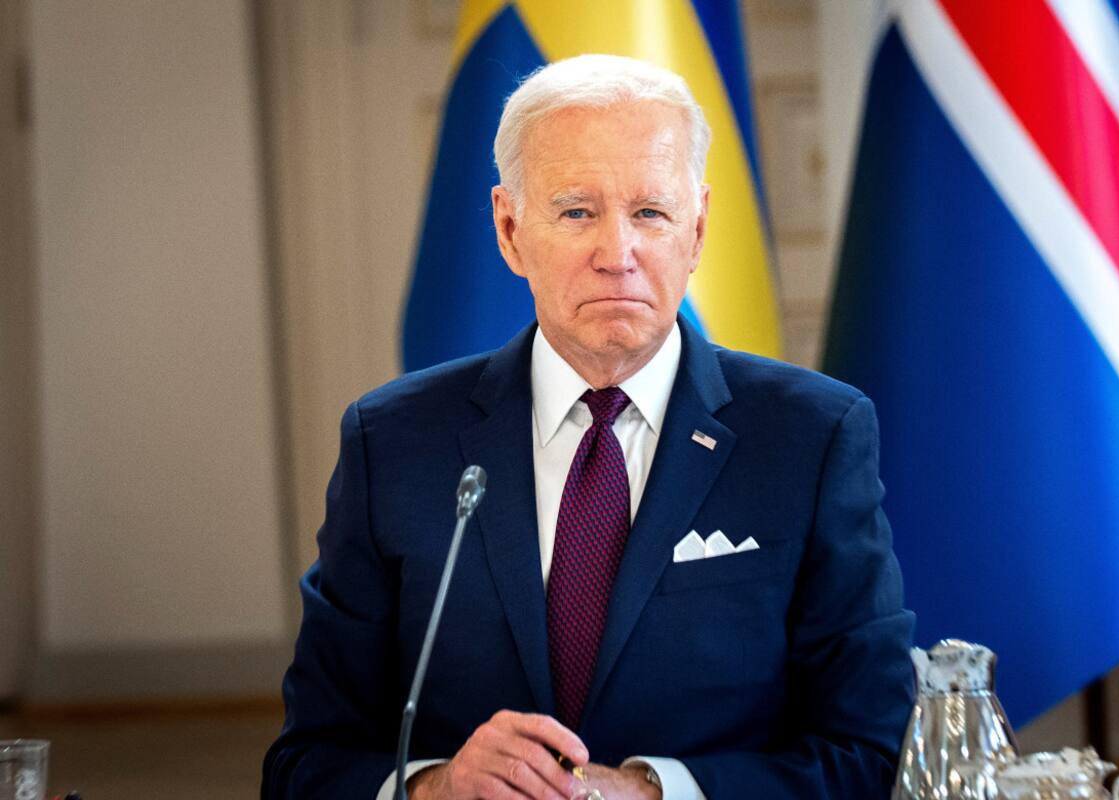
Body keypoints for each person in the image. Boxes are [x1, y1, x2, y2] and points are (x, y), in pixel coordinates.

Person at [263, 54, 915, 800]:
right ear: (510, 231)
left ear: (696, 232)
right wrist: (433, 789)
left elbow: (873, 752)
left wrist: (650, 793)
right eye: (577, 212)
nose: (618, 255)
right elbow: (301, 767)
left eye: (650, 213)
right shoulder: (393, 441)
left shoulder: (812, 436)